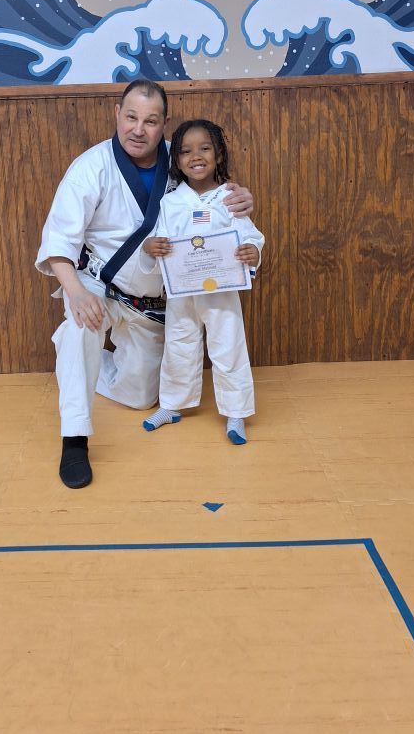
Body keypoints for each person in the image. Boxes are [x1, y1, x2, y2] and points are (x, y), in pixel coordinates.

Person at [35, 81, 254, 489]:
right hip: (98, 287)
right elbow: (58, 243)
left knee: (140, 396)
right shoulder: (90, 168)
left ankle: (84, 365)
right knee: (80, 329)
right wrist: (76, 292)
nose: (138, 129)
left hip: (151, 304)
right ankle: (74, 438)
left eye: (151, 121)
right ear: (117, 114)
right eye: (131, 117)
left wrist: (239, 199)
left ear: (164, 124)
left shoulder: (182, 159)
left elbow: (214, 198)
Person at [141, 119, 264, 444]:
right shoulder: (170, 203)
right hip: (181, 293)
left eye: (205, 148)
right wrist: (151, 246)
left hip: (221, 292)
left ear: (218, 155)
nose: (196, 156)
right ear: (177, 160)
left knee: (229, 347)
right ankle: (172, 405)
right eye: (186, 151)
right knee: (178, 345)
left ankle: (236, 411)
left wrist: (252, 251)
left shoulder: (229, 199)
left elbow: (251, 235)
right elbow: (158, 239)